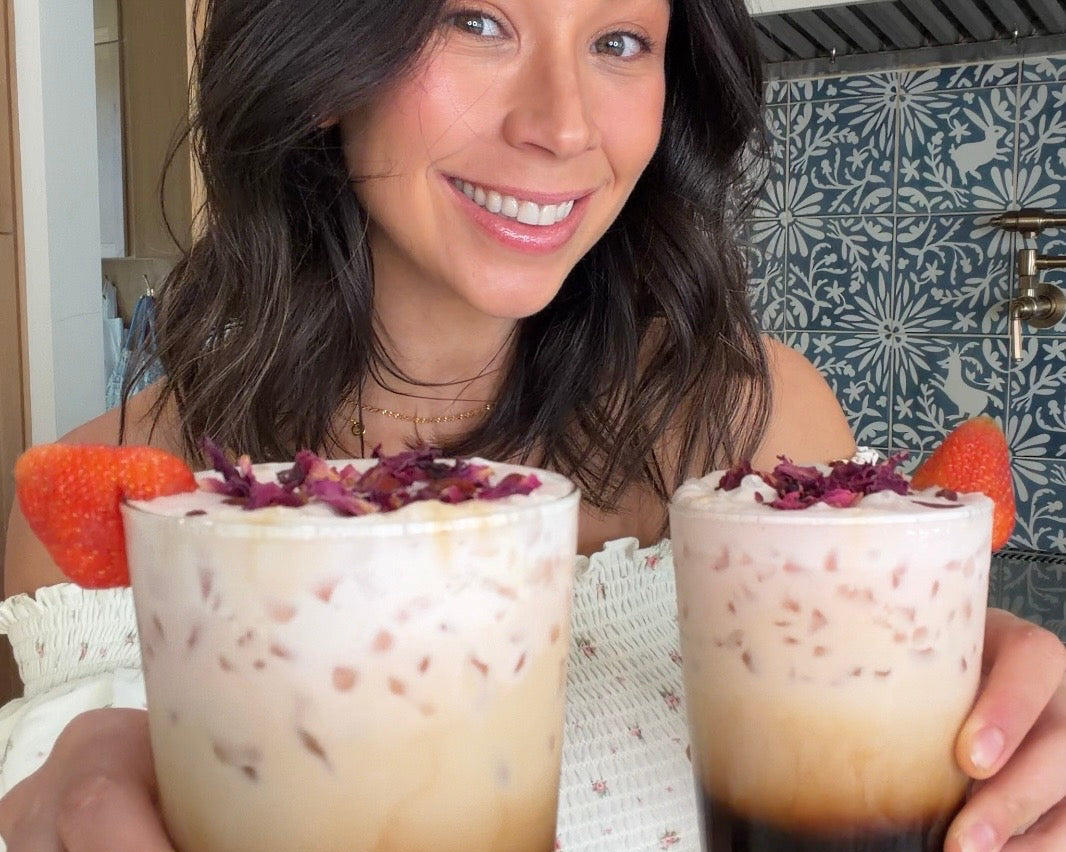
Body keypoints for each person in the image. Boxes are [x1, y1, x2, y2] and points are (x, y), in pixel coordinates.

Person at [1, 0, 1064, 849]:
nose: (560, 125)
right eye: (477, 20)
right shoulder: (108, 500)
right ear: (326, 57)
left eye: (616, 40)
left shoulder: (761, 422)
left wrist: (997, 760)